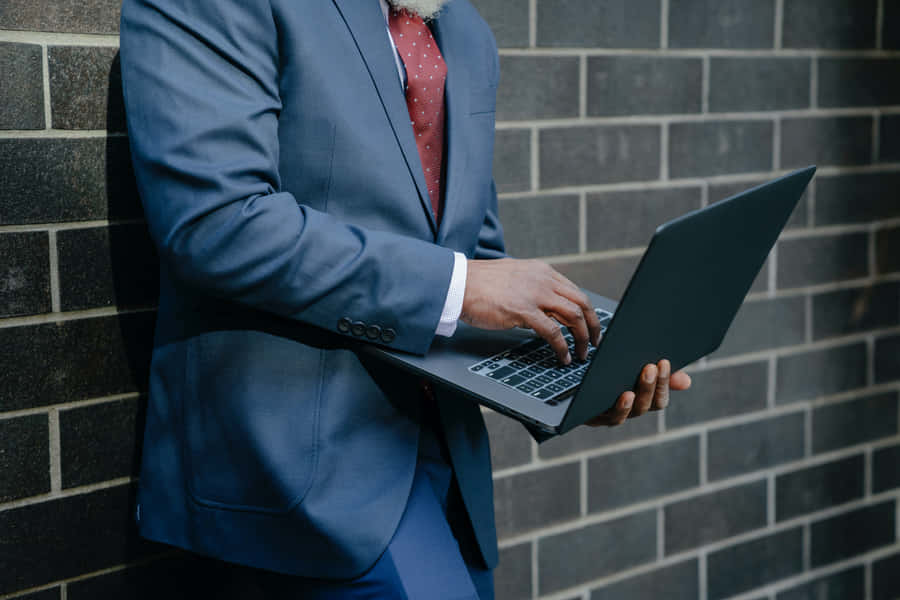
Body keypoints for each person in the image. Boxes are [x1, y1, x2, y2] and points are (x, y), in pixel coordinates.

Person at [119, 0, 692, 597]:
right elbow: (218, 223)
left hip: (448, 463)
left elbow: (472, 256)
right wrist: (461, 286)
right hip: (301, 475)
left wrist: (571, 378)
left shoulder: (464, 33)